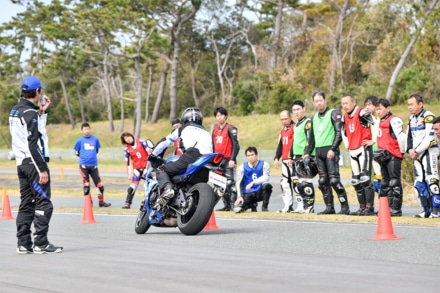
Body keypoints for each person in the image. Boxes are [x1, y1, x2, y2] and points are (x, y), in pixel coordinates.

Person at [9, 75, 63, 254]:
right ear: (37, 91)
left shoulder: (16, 110)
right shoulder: (30, 113)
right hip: (33, 164)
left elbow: (31, 131)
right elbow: (33, 143)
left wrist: (41, 112)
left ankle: (23, 243)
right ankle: (41, 242)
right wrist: (42, 169)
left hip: (21, 163)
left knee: (26, 203)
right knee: (44, 203)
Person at [152, 107, 213, 205]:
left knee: (161, 170)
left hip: (192, 156)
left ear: (184, 119)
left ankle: (168, 189)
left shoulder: (183, 128)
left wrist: (153, 154)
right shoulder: (207, 132)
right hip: (208, 161)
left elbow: (165, 142)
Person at [305, 91, 350, 215]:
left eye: (321, 100)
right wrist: (307, 153)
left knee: (334, 180)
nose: (319, 103)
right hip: (319, 153)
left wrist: (333, 149)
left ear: (325, 100)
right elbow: (311, 139)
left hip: (330, 151)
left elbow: (339, 133)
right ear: (314, 103)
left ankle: (345, 207)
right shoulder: (313, 118)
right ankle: (329, 207)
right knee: (323, 181)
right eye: (316, 101)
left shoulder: (333, 113)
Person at [341, 94, 376, 216]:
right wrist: (347, 144)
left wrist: (374, 140)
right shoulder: (345, 117)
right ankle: (362, 207)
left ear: (353, 102)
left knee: (365, 179)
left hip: (363, 148)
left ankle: (369, 207)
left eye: (346, 103)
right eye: (343, 104)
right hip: (352, 150)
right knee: (356, 181)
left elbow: (375, 123)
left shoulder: (361, 112)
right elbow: (343, 132)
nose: (344, 106)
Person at [406, 94, 439, 218]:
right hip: (416, 154)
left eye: (412, 104)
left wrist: (417, 151)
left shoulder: (428, 116)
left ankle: (437, 210)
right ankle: (426, 210)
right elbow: (408, 136)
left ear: (420, 104)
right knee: (419, 182)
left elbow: (431, 138)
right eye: (408, 105)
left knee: (432, 180)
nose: (410, 107)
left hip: (429, 151)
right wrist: (409, 150)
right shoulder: (411, 118)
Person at [374, 98, 406, 216]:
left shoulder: (394, 120)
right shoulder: (379, 120)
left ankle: (396, 209)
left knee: (394, 183)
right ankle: (387, 208)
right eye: (376, 109)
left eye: (380, 109)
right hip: (383, 156)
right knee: (385, 183)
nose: (378, 112)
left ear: (388, 108)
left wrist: (402, 153)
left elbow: (401, 137)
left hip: (393, 155)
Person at [74, 123, 111, 207]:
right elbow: (76, 152)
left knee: (100, 186)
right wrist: (85, 158)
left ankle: (101, 202)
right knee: (86, 187)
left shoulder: (95, 139)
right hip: (83, 166)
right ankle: (88, 203)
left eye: (88, 129)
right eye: (85, 129)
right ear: (81, 131)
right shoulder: (79, 141)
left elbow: (96, 150)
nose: (87, 131)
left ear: (90, 129)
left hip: (94, 166)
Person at [289, 100, 316, 213]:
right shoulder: (296, 125)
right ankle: (300, 206)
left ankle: (309, 206)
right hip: (296, 156)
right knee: (296, 183)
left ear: (303, 109)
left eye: (298, 109)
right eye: (294, 110)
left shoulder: (307, 122)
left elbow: (310, 139)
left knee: (305, 182)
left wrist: (307, 153)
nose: (296, 112)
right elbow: (294, 142)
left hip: (304, 156)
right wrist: (290, 157)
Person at [212, 106, 240, 212]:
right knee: (219, 184)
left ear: (226, 116)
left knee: (230, 183)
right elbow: (213, 146)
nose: (219, 117)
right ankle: (227, 205)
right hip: (218, 161)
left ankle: (233, 205)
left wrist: (232, 159)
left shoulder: (231, 128)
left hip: (228, 160)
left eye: (221, 115)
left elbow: (236, 145)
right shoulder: (215, 130)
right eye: (217, 115)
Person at [234, 146, 273, 213]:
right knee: (238, 209)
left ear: (256, 155)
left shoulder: (264, 164)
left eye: (252, 155)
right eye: (248, 155)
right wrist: (240, 196)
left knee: (267, 186)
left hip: (259, 192)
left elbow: (266, 177)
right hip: (248, 193)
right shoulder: (242, 167)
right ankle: (252, 205)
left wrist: (253, 183)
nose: (251, 157)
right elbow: (238, 183)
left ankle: (264, 207)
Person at [120, 132, 152, 209]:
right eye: (125, 138)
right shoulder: (127, 149)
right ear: (124, 141)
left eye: (128, 136)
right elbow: (127, 163)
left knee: (147, 186)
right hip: (136, 170)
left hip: (146, 168)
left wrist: (149, 165)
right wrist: (128, 173)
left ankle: (145, 203)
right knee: (131, 188)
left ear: (131, 135)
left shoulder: (141, 142)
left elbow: (149, 152)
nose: (128, 138)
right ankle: (127, 203)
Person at [274, 110, 296, 213]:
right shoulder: (282, 130)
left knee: (295, 182)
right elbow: (280, 145)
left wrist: (293, 157)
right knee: (284, 183)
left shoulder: (295, 128)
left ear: (290, 117)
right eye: (281, 119)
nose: (284, 121)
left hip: (293, 160)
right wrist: (276, 158)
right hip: (284, 160)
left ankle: (301, 205)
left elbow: (296, 143)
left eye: (285, 119)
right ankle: (288, 206)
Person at [364, 96, 382, 198]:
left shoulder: (382, 118)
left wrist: (374, 141)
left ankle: (388, 206)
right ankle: (382, 206)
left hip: (382, 151)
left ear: (376, 105)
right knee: (375, 182)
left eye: (369, 104)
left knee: (382, 180)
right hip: (371, 152)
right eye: (366, 105)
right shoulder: (366, 118)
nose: (368, 107)